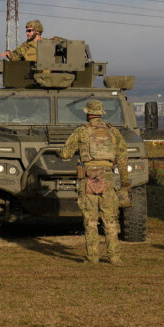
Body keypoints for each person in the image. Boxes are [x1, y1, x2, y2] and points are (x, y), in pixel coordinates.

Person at [59, 99, 130, 264]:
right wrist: (125, 183)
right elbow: (123, 157)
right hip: (108, 178)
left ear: (87, 113)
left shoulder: (81, 132)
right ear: (101, 113)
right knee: (110, 219)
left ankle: (92, 257)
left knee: (90, 220)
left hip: (88, 177)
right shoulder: (113, 132)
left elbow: (65, 154)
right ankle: (114, 257)